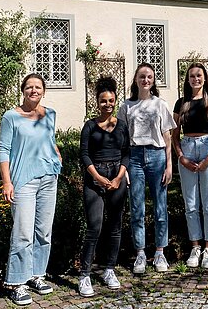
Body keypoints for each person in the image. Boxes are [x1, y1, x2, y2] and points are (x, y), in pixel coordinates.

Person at [0, 73, 62, 306]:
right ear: (23, 90)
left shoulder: (50, 114)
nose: (34, 90)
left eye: (38, 87)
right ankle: (17, 283)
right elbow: (4, 150)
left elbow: (49, 139)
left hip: (48, 178)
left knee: (43, 232)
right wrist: (7, 181)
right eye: (29, 87)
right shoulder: (11, 117)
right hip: (23, 181)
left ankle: (36, 274)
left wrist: (56, 154)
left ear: (43, 91)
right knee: (23, 232)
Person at [117, 63, 177, 274]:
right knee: (137, 208)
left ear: (153, 80)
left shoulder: (160, 104)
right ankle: (140, 253)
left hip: (157, 155)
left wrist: (169, 164)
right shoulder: (126, 106)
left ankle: (160, 252)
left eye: (149, 76)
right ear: (136, 80)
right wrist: (123, 168)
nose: (146, 80)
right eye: (142, 76)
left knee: (161, 207)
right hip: (134, 158)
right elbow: (122, 139)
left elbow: (168, 136)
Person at [78, 77, 130, 297]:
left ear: (115, 101)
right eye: (103, 101)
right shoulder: (89, 126)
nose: (107, 104)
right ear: (97, 102)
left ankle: (109, 269)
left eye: (111, 100)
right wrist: (97, 177)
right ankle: (85, 275)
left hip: (117, 177)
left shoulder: (122, 126)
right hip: (95, 179)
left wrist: (119, 178)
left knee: (115, 227)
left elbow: (127, 153)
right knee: (95, 227)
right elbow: (84, 154)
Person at [172, 63, 208, 269]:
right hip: (187, 149)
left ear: (205, 78)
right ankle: (195, 247)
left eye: (199, 75)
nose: (196, 79)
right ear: (187, 80)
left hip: (207, 148)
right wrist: (181, 157)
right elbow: (174, 134)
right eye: (192, 76)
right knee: (191, 204)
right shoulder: (181, 103)